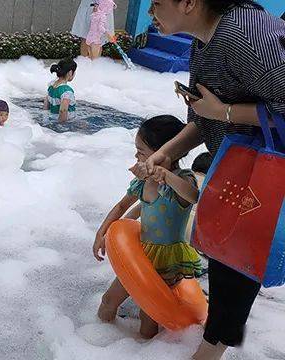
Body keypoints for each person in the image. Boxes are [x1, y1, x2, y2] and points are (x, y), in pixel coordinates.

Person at [143, 1, 285, 358]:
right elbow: (205, 116)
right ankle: (214, 345)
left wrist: (222, 111)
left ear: (189, 3)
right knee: (231, 259)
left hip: (268, 173)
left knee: (237, 261)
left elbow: (218, 111)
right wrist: (171, 150)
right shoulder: (204, 40)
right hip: (243, 169)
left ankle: (210, 350)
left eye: (156, 3)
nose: (150, 12)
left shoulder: (248, 36)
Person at [93, 115, 203, 339]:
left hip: (167, 260)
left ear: (165, 151)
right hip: (141, 254)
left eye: (141, 150)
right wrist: (101, 233)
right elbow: (123, 205)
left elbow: (193, 196)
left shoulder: (183, 179)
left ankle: (145, 350)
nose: (136, 155)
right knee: (108, 301)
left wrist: (166, 175)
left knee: (149, 317)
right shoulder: (143, 181)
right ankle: (95, 344)